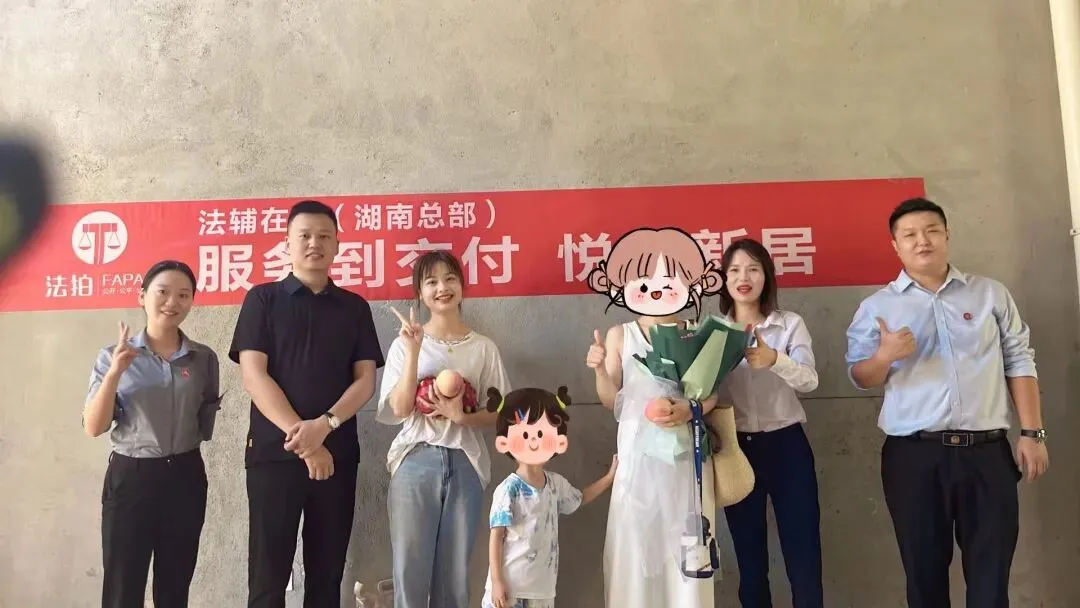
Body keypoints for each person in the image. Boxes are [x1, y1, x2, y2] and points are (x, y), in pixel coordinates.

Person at [844, 197, 1049, 608]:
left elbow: (1019, 359)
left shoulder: (990, 294)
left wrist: (1032, 433)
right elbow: (860, 375)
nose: (922, 241)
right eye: (910, 235)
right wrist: (884, 356)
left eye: (931, 231)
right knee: (924, 576)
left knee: (991, 578)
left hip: (987, 453)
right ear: (896, 246)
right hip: (914, 457)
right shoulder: (878, 307)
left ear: (947, 236)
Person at [228, 200, 385, 608]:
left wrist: (325, 426)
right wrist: (306, 440)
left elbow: (366, 381)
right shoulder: (262, 300)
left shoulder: (354, 308)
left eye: (324, 236)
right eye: (305, 236)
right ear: (288, 243)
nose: (315, 243)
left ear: (337, 245)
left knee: (326, 578)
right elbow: (253, 376)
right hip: (274, 456)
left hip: (337, 457)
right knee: (268, 579)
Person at [583, 226, 725, 608]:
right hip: (637, 456)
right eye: (644, 284)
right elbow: (610, 400)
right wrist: (599, 369)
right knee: (633, 544)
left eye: (670, 281)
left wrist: (689, 409)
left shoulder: (696, 332)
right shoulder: (620, 335)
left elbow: (712, 394)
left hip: (686, 458)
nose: (657, 292)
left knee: (687, 543)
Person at [376, 250, 512, 608]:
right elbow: (399, 408)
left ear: (462, 286)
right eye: (431, 281)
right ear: (420, 293)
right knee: (409, 571)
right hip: (414, 460)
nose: (442, 288)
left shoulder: (483, 348)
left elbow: (501, 411)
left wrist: (462, 417)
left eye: (450, 279)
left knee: (454, 576)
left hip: (466, 461)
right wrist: (414, 351)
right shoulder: (404, 344)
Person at [83, 259, 222, 608]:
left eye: (183, 295)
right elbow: (94, 427)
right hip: (132, 476)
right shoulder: (112, 356)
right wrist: (115, 373)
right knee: (123, 585)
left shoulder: (203, 359)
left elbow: (203, 418)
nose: (172, 302)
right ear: (142, 295)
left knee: (175, 584)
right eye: (162, 292)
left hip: (186, 475)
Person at [713, 238, 824, 608]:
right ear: (724, 279)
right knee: (750, 560)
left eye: (753, 269)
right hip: (735, 449)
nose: (743, 278)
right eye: (734, 270)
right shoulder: (713, 332)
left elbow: (810, 380)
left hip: (787, 445)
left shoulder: (789, 324)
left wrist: (775, 359)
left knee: (803, 552)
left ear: (767, 276)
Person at [481, 385, 618, 608]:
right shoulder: (508, 489)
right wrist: (497, 581)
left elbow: (579, 498)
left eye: (542, 434)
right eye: (525, 434)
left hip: (542, 591)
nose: (534, 441)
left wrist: (609, 478)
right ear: (505, 442)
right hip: (510, 590)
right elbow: (496, 536)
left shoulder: (555, 484)